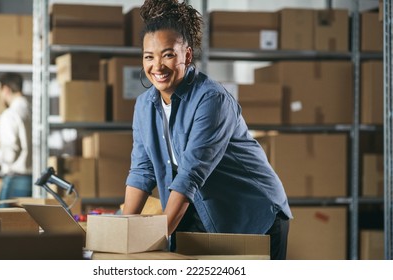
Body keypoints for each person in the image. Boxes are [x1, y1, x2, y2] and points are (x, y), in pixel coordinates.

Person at [122, 0, 292, 260]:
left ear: (187, 56)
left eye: (168, 54)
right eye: (149, 56)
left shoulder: (211, 100)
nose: (157, 66)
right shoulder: (144, 106)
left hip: (250, 212)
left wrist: (150, 244)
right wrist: (121, 236)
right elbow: (142, 170)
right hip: (198, 210)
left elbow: (190, 175)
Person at [0, 72, 32, 207]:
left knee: (5, 224)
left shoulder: (9, 115)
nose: (1, 97)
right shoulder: (31, 110)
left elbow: (10, 154)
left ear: (6, 89)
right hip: (31, 178)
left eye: (0, 92)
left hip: (15, 179)